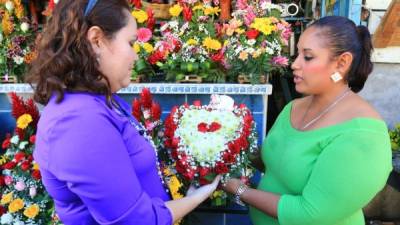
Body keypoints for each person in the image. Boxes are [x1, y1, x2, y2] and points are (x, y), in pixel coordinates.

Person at [26, 0, 220, 224]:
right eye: (131, 43)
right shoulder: (78, 122)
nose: (136, 56)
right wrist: (196, 198)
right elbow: (135, 220)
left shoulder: (99, 100)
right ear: (96, 40)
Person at [222, 16, 393, 225]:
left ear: (341, 63)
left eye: (308, 57)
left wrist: (239, 190)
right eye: (297, 55)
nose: (294, 65)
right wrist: (223, 147)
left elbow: (310, 213)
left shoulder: (363, 135)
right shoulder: (294, 107)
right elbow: (279, 163)